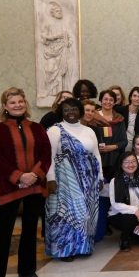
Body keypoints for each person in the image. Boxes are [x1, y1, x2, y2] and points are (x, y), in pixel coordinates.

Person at [0, 88, 51, 277]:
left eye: (20, 101)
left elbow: (46, 154)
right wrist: (19, 176)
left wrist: (34, 175)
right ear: (5, 106)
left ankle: (27, 270)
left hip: (35, 185)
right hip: (8, 186)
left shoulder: (37, 127)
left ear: (25, 103)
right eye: (12, 102)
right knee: (2, 232)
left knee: (30, 229)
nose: (17, 105)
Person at [45, 98, 102, 261]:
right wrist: (50, 179)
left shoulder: (89, 131)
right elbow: (48, 157)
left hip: (88, 180)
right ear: (61, 112)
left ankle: (83, 247)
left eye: (74, 109)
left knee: (85, 214)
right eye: (66, 110)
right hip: (64, 181)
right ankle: (64, 250)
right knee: (65, 215)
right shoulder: (55, 130)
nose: (70, 113)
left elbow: (96, 155)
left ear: (80, 111)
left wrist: (100, 177)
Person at [94, 89, 128, 242]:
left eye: (111, 100)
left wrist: (111, 147)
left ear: (115, 102)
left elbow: (124, 141)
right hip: (97, 162)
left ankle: (112, 222)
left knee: (113, 193)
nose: (108, 102)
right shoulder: (93, 118)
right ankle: (100, 226)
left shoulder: (119, 119)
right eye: (105, 99)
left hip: (114, 162)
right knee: (99, 194)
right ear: (100, 101)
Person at [108, 152, 139, 251]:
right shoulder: (115, 181)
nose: (130, 165)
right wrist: (134, 210)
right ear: (121, 164)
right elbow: (115, 204)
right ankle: (124, 239)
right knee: (129, 217)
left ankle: (132, 232)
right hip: (120, 216)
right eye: (126, 162)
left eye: (133, 161)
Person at [118, 86, 139, 151]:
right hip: (120, 146)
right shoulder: (120, 110)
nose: (137, 99)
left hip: (135, 148)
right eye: (134, 96)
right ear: (130, 97)